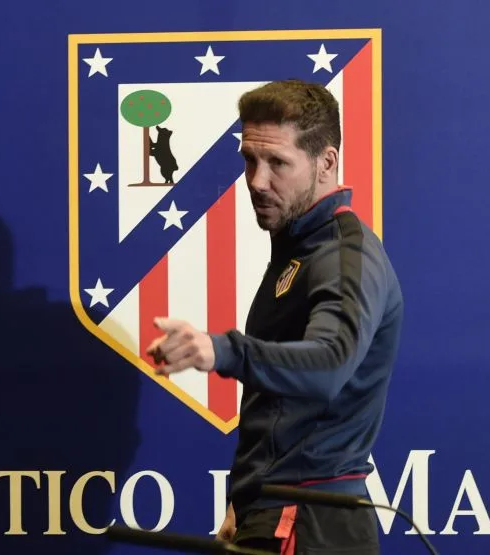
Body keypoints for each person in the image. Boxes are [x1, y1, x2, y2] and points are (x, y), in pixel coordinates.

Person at [146, 79, 404, 554]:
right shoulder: (298, 249)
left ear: (326, 162)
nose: (256, 181)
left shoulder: (344, 255)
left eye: (277, 163)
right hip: (280, 509)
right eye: (249, 159)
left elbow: (329, 365)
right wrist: (246, 500)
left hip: (309, 522)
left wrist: (219, 348)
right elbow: (283, 407)